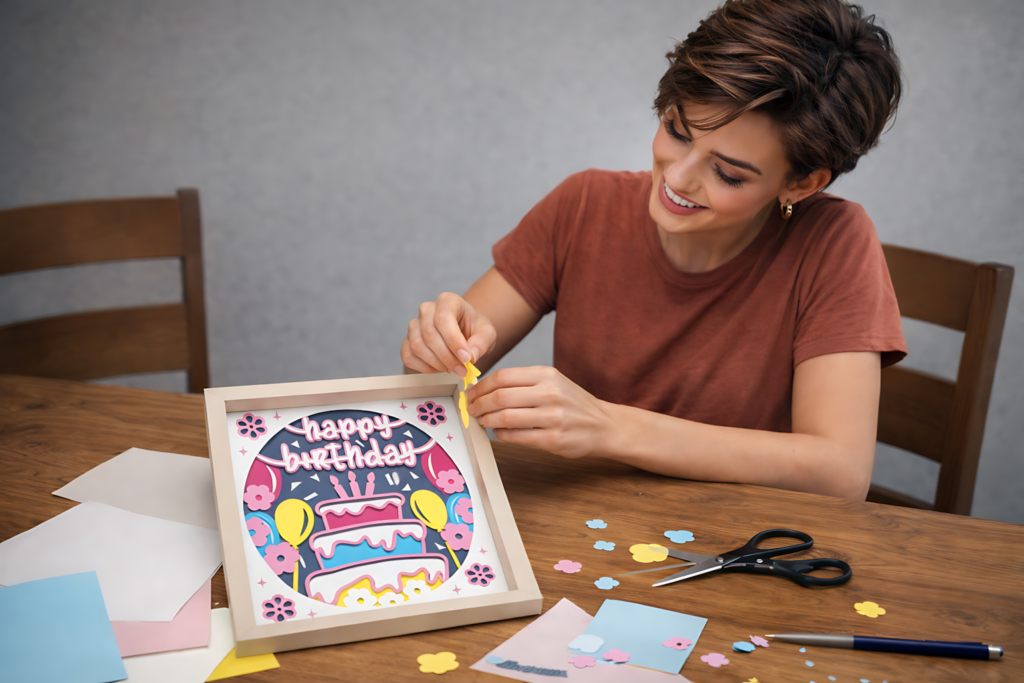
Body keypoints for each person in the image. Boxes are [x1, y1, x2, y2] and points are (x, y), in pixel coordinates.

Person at [400, 0, 907, 501]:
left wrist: (609, 428)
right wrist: (435, 351)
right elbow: (434, 386)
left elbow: (840, 473)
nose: (677, 178)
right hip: (582, 525)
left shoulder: (834, 242)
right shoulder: (583, 205)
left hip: (735, 541)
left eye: (728, 173)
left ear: (801, 184)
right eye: (676, 131)